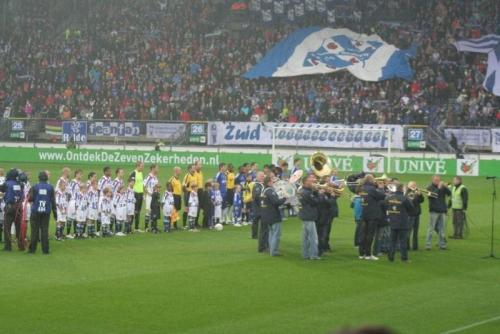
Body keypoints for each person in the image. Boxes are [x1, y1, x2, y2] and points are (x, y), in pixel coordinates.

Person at [383, 182, 414, 263]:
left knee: (392, 240)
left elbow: (384, 204)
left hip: (392, 221)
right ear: (402, 189)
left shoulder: (390, 197)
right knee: (402, 241)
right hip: (402, 222)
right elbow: (411, 208)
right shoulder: (404, 198)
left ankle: (391, 257)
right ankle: (404, 258)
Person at [28, 171, 57, 254]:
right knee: (44, 231)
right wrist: (55, 213)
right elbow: (53, 201)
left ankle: (32, 250)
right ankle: (45, 250)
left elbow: (30, 199)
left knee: (34, 231)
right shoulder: (50, 187)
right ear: (46, 178)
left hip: (35, 212)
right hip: (46, 212)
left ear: (39, 177)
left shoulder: (35, 186)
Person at [359, 174, 386, 260]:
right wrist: (381, 188)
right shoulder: (371, 189)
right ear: (371, 180)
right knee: (370, 234)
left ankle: (361, 253)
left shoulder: (362, 188)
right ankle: (368, 254)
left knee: (364, 234)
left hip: (364, 213)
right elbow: (382, 196)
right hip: (372, 214)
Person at [299, 174, 324, 260]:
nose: (313, 182)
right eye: (310, 181)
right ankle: (313, 255)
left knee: (305, 238)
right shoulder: (307, 193)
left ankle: (305, 254)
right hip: (309, 216)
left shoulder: (302, 190)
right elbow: (316, 202)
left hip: (304, 216)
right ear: (306, 182)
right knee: (313, 238)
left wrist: (314, 191)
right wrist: (320, 194)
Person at [260, 176, 286, 257]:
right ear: (269, 182)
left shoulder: (264, 190)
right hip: (273, 215)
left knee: (271, 233)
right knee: (276, 234)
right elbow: (276, 202)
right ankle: (274, 251)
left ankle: (271, 249)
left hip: (266, 215)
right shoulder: (270, 191)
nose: (274, 182)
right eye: (272, 181)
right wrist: (285, 198)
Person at [1, 169, 25, 251]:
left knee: (7, 227)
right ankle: (21, 246)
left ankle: (8, 247)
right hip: (19, 208)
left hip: (9, 208)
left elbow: (1, 189)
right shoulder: (21, 184)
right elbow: (23, 196)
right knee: (19, 228)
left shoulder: (7, 184)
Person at [426, 175, 451, 250]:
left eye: (438, 180)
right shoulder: (429, 187)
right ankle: (428, 245)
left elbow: (449, 194)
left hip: (442, 211)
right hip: (434, 211)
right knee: (431, 228)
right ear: (432, 180)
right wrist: (439, 188)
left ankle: (442, 245)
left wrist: (445, 187)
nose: (437, 181)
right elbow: (432, 196)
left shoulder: (442, 187)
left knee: (442, 229)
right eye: (435, 180)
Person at [405, 181, 424, 250]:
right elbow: (411, 201)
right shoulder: (407, 192)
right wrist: (416, 194)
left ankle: (415, 246)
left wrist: (420, 195)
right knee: (408, 231)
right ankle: (407, 246)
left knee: (416, 231)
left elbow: (422, 200)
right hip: (410, 215)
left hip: (417, 214)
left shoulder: (416, 192)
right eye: (412, 185)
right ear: (408, 186)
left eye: (415, 185)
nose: (414, 186)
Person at [66, 169, 82, 238]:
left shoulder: (79, 183)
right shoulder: (73, 182)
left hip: (78, 202)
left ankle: (75, 233)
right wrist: (69, 202)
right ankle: (68, 233)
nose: (80, 175)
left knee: (76, 217)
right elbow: (69, 192)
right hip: (72, 201)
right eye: (79, 174)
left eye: (81, 174)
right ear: (76, 174)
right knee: (70, 217)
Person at [144, 164, 159, 232]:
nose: (158, 169)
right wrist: (149, 193)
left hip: (155, 197)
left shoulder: (155, 177)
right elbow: (143, 186)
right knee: (149, 211)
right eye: (157, 168)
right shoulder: (149, 177)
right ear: (153, 168)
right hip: (150, 197)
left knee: (154, 211)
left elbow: (156, 186)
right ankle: (146, 227)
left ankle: (153, 227)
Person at [130, 161, 145, 232]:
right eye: (142, 166)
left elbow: (141, 184)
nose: (143, 167)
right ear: (138, 166)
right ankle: (129, 227)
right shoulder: (133, 173)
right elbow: (131, 184)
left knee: (138, 211)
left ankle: (136, 228)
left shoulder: (141, 173)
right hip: (135, 194)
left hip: (140, 194)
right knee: (133, 211)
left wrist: (143, 194)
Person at [252, 171, 265, 246]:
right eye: (261, 176)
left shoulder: (263, 185)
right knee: (256, 220)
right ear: (257, 177)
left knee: (262, 221)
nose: (262, 177)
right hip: (257, 206)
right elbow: (256, 196)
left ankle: (261, 234)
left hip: (262, 206)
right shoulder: (256, 185)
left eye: (263, 176)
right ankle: (254, 235)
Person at [194, 160, 204, 227]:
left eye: (201, 164)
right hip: (196, 191)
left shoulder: (200, 172)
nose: (201, 166)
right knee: (195, 207)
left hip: (200, 190)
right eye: (199, 164)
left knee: (199, 207)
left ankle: (196, 222)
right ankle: (193, 222)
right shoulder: (194, 172)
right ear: (196, 165)